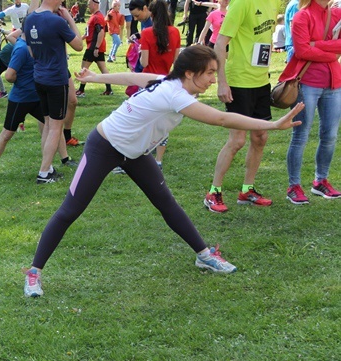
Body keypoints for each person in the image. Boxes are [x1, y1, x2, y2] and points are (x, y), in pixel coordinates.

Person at [22, 45, 304, 297]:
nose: (213, 79)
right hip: (103, 146)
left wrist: (96, 78)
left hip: (135, 153)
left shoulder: (166, 81)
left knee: (167, 203)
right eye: (210, 73)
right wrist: (270, 124)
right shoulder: (174, 95)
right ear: (191, 73)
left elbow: (133, 77)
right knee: (71, 209)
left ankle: (204, 255)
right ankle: (34, 272)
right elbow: (220, 118)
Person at [204, 0, 281, 213]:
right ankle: (213, 191)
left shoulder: (274, 3)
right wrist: (222, 81)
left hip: (261, 81)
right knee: (237, 140)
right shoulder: (241, 3)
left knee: (260, 137)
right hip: (238, 82)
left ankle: (247, 190)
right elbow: (220, 43)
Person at [0, 30, 76, 176]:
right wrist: (20, 79)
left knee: (53, 126)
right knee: (7, 133)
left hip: (38, 97)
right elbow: (9, 76)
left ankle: (63, 159)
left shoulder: (35, 45)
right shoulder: (21, 48)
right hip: (20, 99)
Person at [283, 0, 341, 204]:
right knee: (301, 135)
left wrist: (316, 44)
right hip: (307, 83)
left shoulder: (337, 14)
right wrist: (331, 54)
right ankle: (294, 185)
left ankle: (320, 181)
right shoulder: (302, 15)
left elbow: (313, 48)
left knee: (330, 136)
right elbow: (301, 51)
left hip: (334, 84)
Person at [24, 0, 83, 183]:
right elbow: (79, 45)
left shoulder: (29, 19)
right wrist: (70, 20)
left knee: (49, 125)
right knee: (56, 127)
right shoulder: (57, 21)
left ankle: (47, 167)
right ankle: (44, 173)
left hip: (39, 77)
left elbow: (32, 51)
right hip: (56, 80)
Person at [139, 0, 181, 168]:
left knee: (144, 120)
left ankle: (141, 154)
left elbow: (144, 62)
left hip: (148, 81)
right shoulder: (176, 32)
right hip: (166, 81)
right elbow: (177, 61)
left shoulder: (147, 33)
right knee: (162, 122)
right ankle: (158, 160)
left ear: (152, 14)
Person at [76, 0, 113, 97]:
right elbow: (90, 31)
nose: (88, 6)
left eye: (89, 4)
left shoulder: (97, 17)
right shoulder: (95, 16)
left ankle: (81, 90)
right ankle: (109, 89)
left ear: (94, 4)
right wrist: (83, 37)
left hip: (93, 47)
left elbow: (101, 32)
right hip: (96, 47)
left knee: (84, 68)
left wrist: (96, 47)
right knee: (103, 68)